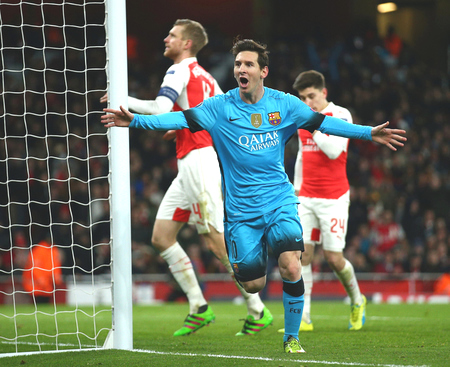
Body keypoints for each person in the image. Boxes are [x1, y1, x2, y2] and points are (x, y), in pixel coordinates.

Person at [101, 38, 406, 353]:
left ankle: (291, 338)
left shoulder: (284, 104)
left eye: (248, 64)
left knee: (291, 264)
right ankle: (257, 276)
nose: (241, 69)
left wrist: (369, 132)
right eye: (237, 64)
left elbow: (324, 124)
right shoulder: (219, 108)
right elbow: (178, 118)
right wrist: (135, 120)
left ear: (264, 71)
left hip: (279, 201)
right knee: (252, 283)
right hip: (241, 212)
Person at [101, 20, 272, 337]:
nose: (166, 38)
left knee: (213, 237)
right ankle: (198, 305)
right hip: (190, 162)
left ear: (188, 44)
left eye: (173, 35)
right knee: (161, 237)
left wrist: (122, 100)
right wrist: (183, 126)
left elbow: (158, 106)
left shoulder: (179, 70)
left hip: (198, 162)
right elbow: (222, 115)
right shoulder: (206, 78)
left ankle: (257, 307)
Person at [278, 70, 366, 335]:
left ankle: (357, 300)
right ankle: (304, 316)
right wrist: (293, 192)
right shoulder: (305, 117)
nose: (308, 103)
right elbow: (304, 157)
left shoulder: (341, 115)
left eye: (312, 96)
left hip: (334, 199)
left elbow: (333, 150)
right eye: (303, 98)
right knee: (302, 254)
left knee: (334, 258)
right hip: (306, 197)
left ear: (324, 92)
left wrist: (311, 123)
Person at [22, 229, 63, 304]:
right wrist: (42, 281)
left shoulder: (53, 249)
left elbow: (56, 265)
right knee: (36, 306)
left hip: (47, 285)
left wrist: (56, 278)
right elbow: (34, 268)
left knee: (45, 305)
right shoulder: (39, 249)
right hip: (36, 285)